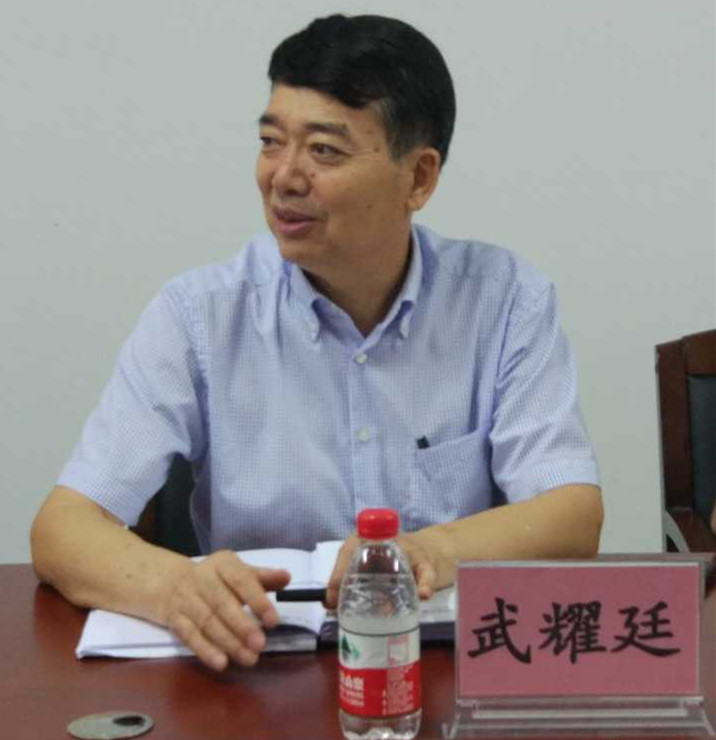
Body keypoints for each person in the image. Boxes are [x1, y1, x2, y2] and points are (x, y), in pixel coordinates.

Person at [31, 14, 602, 673]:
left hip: (440, 670)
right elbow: (63, 528)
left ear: (418, 178)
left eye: (324, 151)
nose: (284, 177)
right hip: (255, 672)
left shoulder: (504, 303)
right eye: (271, 142)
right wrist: (175, 588)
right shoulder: (199, 316)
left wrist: (426, 551)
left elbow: (571, 512)